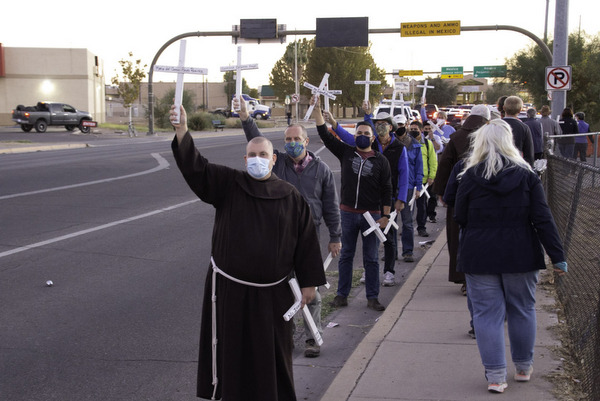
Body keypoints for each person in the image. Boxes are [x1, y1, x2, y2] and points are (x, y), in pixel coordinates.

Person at [170, 104, 327, 401]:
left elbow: (305, 240)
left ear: (273, 159)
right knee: (232, 351)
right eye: (252, 155)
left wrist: (309, 283)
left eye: (263, 155)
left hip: (274, 294)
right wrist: (181, 131)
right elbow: (197, 169)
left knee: (273, 354)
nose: (257, 160)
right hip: (230, 292)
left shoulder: (290, 196)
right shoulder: (229, 184)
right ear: (245, 159)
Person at [451, 119, 567, 394]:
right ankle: (524, 367)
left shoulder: (469, 176)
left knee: (486, 315)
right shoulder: (527, 176)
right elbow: (542, 218)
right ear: (509, 142)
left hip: (479, 254)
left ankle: (495, 376)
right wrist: (557, 255)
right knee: (522, 309)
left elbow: (460, 217)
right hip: (521, 252)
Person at [234, 96, 341, 358]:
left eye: (296, 139)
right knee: (281, 287)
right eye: (288, 140)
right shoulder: (279, 163)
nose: (292, 144)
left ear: (306, 142)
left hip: (309, 236)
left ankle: (312, 339)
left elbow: (331, 205)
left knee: (310, 288)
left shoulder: (322, 170)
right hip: (277, 236)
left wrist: (335, 236)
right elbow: (256, 136)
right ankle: (285, 337)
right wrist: (246, 117)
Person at [312, 96, 393, 311]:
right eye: (359, 133)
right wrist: (318, 111)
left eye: (367, 134)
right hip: (347, 214)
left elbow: (387, 188)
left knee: (372, 258)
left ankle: (372, 297)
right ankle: (342, 295)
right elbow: (324, 133)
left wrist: (385, 215)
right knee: (346, 255)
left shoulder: (381, 161)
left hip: (372, 216)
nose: (363, 136)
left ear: (373, 138)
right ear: (354, 136)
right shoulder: (346, 153)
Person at [324, 102, 408, 287]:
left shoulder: (399, 148)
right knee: (353, 252)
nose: (381, 126)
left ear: (391, 127)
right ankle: (349, 288)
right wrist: (334, 123)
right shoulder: (372, 143)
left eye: (385, 123)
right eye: (378, 123)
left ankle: (389, 271)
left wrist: (401, 199)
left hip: (387, 202)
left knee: (388, 239)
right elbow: (354, 135)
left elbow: (404, 175)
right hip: (358, 208)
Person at [434, 104, 490, 294]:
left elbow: (445, 165)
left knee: (457, 237)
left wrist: (441, 192)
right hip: (486, 196)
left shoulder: (456, 137)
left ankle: (464, 277)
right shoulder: (489, 135)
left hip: (458, 195)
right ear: (486, 119)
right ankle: (484, 276)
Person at [395, 116, 424, 262]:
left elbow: (419, 167)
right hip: (393, 187)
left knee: (407, 222)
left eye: (401, 124)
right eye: (396, 124)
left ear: (406, 125)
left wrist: (418, 187)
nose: (399, 126)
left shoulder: (415, 145)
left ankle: (407, 251)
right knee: (391, 221)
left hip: (409, 187)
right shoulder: (390, 143)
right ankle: (391, 251)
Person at [409, 120, 437, 238]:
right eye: (411, 129)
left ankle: (421, 227)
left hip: (423, 180)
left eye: (415, 129)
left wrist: (431, 176)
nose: (413, 131)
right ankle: (408, 228)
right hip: (409, 179)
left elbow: (433, 161)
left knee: (422, 206)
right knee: (407, 207)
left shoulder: (427, 143)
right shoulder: (407, 142)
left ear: (420, 130)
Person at [502, 96, 535, 166]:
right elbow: (529, 154)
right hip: (516, 166)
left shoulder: (494, 125)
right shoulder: (524, 128)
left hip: (496, 167)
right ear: (520, 110)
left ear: (504, 108)